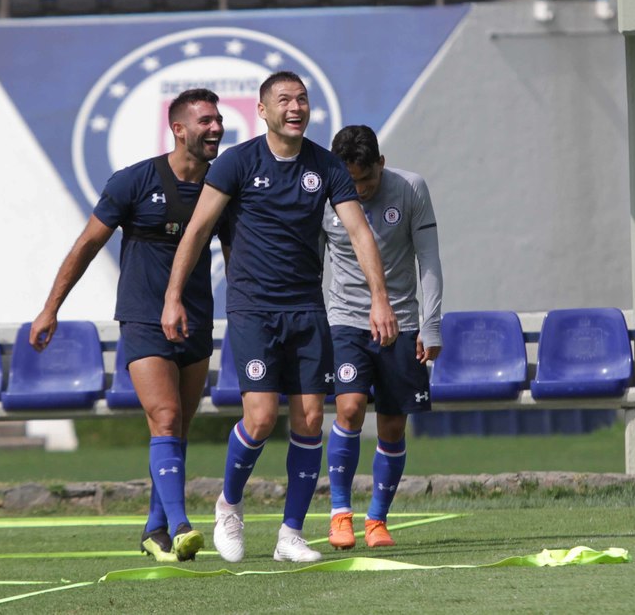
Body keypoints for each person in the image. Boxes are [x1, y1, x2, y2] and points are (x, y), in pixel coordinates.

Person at [162, 71, 398, 564]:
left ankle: (291, 533)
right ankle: (229, 506)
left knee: (310, 419)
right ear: (263, 111)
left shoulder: (326, 166)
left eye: (302, 99)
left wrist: (380, 299)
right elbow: (197, 230)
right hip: (253, 309)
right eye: (284, 100)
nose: (295, 107)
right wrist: (173, 296)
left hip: (307, 308)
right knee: (262, 417)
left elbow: (359, 234)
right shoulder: (238, 162)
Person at [30, 87, 224, 564]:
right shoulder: (134, 181)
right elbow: (86, 246)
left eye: (218, 120)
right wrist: (51, 308)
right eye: (205, 121)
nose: (216, 128)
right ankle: (181, 526)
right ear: (178, 129)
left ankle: (155, 529)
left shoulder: (222, 186)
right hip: (142, 319)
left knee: (176, 430)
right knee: (166, 417)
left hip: (196, 320)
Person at [322, 125, 442, 550]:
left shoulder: (410, 189)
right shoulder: (325, 196)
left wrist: (431, 323)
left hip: (401, 323)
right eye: (350, 181)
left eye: (367, 179)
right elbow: (313, 262)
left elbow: (429, 259)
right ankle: (340, 514)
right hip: (346, 320)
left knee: (392, 424)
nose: (360, 189)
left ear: (382, 164)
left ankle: (377, 520)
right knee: (350, 408)